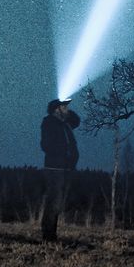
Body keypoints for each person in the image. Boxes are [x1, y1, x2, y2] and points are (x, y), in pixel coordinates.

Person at [39, 98, 80, 241]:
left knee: (58, 202)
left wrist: (67, 113)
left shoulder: (64, 124)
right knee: (53, 201)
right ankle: (48, 235)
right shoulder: (50, 123)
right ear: (57, 109)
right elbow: (46, 145)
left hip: (65, 168)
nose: (67, 109)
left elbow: (76, 121)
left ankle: (51, 234)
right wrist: (63, 153)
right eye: (64, 107)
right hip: (54, 168)